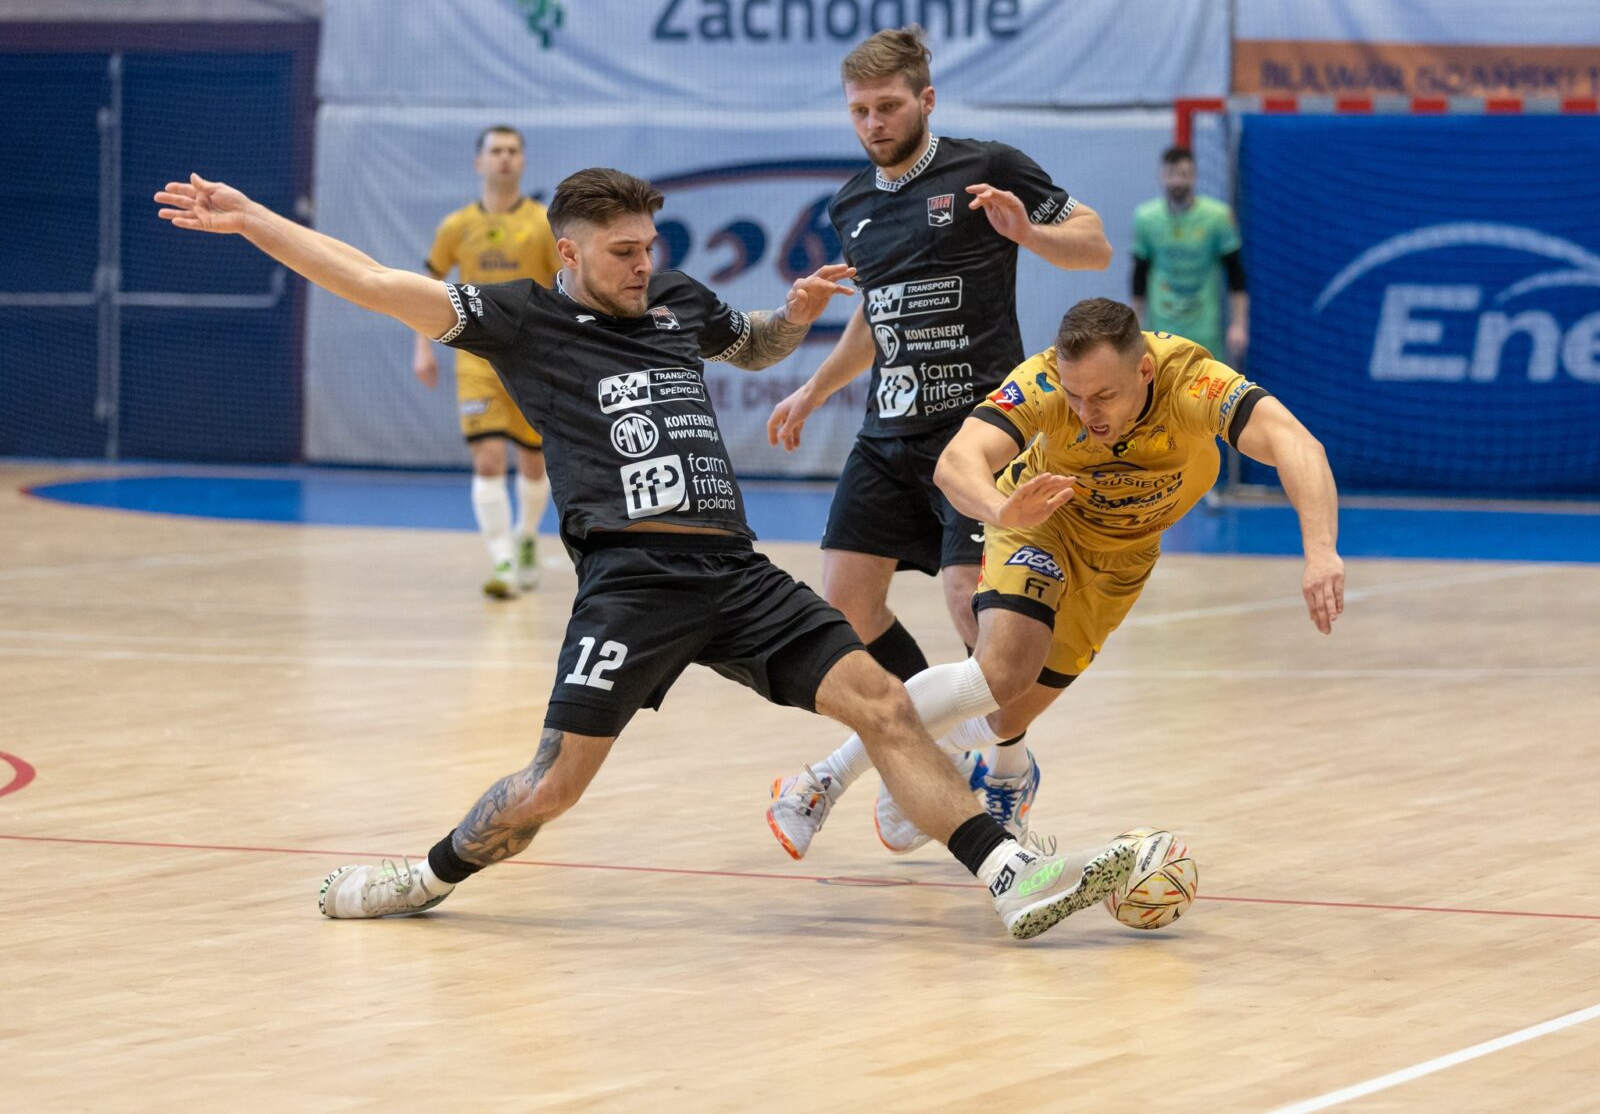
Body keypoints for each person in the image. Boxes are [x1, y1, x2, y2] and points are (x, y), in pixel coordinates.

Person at [154, 168, 1138, 941]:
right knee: (551, 788)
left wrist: (792, 318)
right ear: (569, 254)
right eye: (622, 250)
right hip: (630, 584)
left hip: (734, 571)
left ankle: (1007, 877)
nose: (642, 262)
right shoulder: (522, 319)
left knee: (882, 702)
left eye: (649, 245)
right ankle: (424, 874)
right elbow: (371, 281)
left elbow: (748, 344)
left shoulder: (669, 297)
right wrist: (251, 220)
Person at [768, 297, 1343, 861]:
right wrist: (1000, 510)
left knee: (1003, 717)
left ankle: (950, 758)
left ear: (1144, 370)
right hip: (1040, 524)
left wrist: (1320, 552)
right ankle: (822, 781)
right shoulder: (1042, 383)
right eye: (1075, 395)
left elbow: (1296, 443)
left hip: (1121, 560)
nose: (1086, 412)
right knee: (1002, 669)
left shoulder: (1192, 383)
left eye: (1103, 396)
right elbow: (956, 462)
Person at [767, 25, 1111, 833]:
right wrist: (814, 389)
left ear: (925, 100)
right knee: (846, 609)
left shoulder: (987, 168)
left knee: (972, 606)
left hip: (978, 430)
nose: (873, 123)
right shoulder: (850, 205)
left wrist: (1029, 233)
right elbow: (877, 320)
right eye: (859, 110)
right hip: (887, 435)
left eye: (888, 106)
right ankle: (940, 759)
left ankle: (1009, 769)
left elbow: (1091, 245)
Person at [413, 125, 560, 598]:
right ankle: (501, 561)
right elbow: (426, 287)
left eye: (513, 151)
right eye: (495, 151)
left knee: (534, 465)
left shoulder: (542, 224)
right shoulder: (456, 226)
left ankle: (525, 540)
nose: (504, 158)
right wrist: (422, 347)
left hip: (534, 359)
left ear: (523, 161)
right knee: (489, 459)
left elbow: (564, 291)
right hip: (477, 357)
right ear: (479, 162)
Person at [1132, 145, 1247, 365]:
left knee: (1206, 390)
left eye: (1183, 175)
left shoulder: (1218, 217)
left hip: (1204, 326)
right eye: (1171, 174)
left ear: (1194, 176)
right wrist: (1134, 324)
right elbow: (1139, 275)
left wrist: (1239, 325)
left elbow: (1236, 275)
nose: (1177, 182)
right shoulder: (1146, 218)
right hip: (1161, 325)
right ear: (1161, 175)